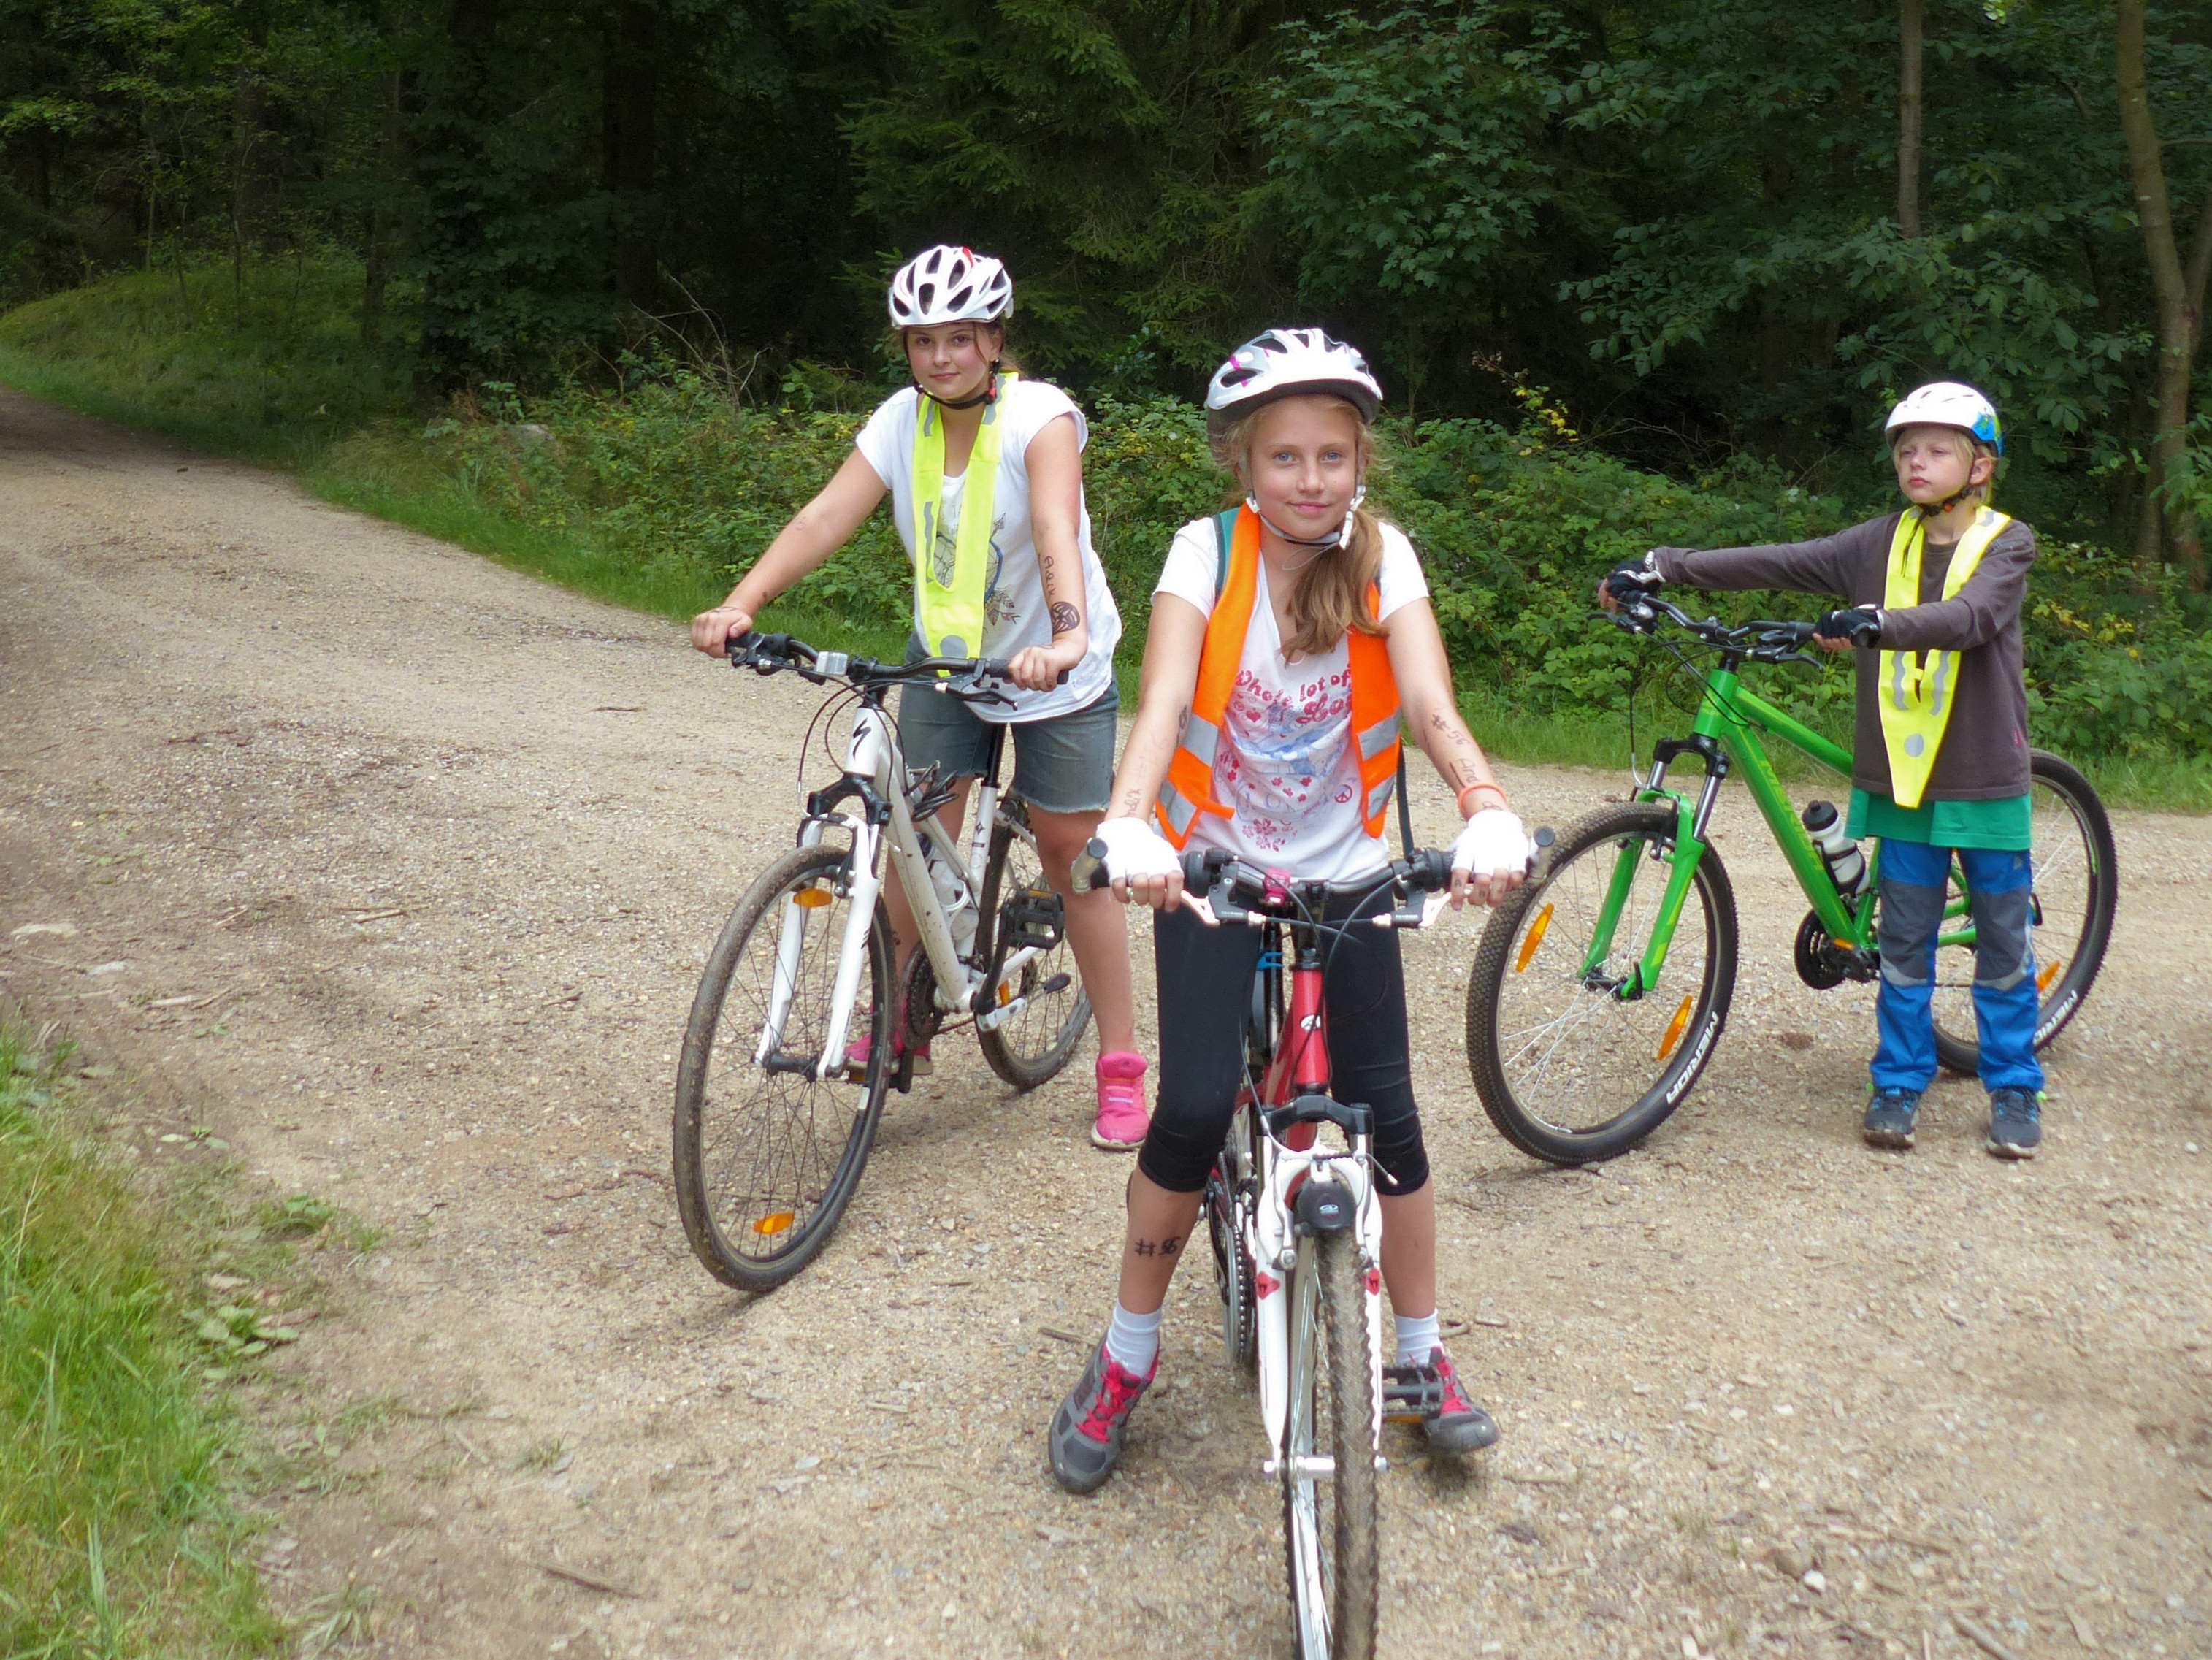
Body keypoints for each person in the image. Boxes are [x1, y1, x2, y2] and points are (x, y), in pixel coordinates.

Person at [1044, 329, 1536, 1495]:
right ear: (1244, 464)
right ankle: (1125, 1354)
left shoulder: (1383, 558)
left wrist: (1484, 803)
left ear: (1361, 460)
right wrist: (1130, 822)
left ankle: (1419, 1352)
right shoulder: (1205, 553)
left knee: (1389, 1117)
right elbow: (1164, 699)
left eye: (1332, 455)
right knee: (1191, 1105)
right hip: (1208, 869)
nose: (1310, 480)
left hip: (1347, 870)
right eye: (1284, 457)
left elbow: (1430, 701)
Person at [689, 245, 1151, 1150]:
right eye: (921, 341)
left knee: (1072, 855)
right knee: (911, 829)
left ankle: (1121, 1063)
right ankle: (905, 1015)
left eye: (958, 338)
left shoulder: (1041, 416)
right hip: (946, 657)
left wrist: (1065, 636)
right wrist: (744, 601)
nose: (940, 356)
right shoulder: (900, 421)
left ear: (993, 340)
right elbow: (826, 514)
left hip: (1051, 666)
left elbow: (1054, 527)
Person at [1601, 380, 2045, 1159]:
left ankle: (2013, 1082)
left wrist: (1876, 622)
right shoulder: (1876, 542)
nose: (1915, 461)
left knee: (2002, 943)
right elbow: (1779, 560)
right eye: (1905, 449)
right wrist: (1661, 566)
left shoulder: (2005, 542)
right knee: (1902, 940)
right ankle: (1898, 1079)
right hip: (1902, 779)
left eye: (1936, 450)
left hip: (1981, 772)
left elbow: (1970, 617)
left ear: (1979, 467)